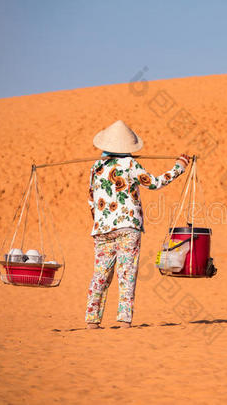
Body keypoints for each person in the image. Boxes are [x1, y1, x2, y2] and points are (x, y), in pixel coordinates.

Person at [85, 120, 190, 329]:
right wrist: (179, 167)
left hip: (102, 230)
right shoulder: (130, 165)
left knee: (100, 275)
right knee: (127, 273)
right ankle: (124, 320)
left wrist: (101, 222)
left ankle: (92, 320)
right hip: (128, 227)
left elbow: (91, 199)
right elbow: (155, 182)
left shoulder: (95, 167)